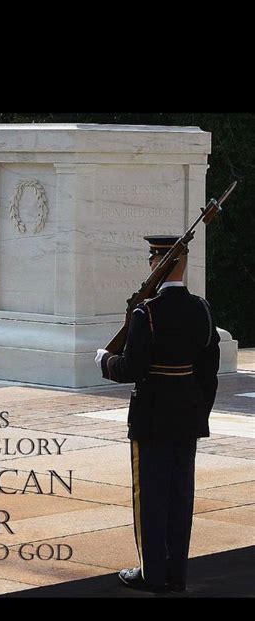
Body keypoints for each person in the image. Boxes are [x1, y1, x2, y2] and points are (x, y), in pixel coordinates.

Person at [95, 236, 221, 593]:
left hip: (151, 417)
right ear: (182, 266)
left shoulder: (145, 312)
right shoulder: (202, 309)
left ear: (157, 264)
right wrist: (200, 413)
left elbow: (131, 368)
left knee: (150, 497)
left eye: (153, 259)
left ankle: (152, 573)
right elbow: (208, 371)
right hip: (187, 417)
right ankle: (177, 573)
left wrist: (105, 361)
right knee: (181, 495)